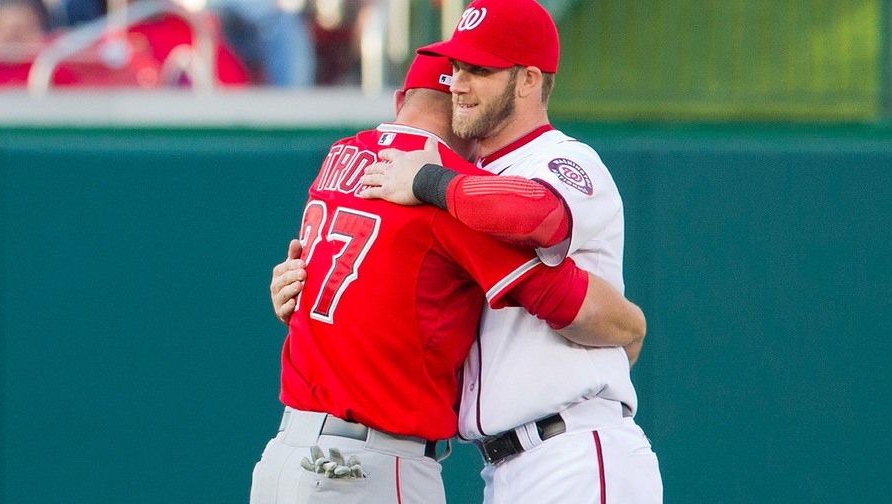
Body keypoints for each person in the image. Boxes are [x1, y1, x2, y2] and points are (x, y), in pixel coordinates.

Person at [250, 54, 646, 504]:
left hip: (285, 457)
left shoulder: (341, 156)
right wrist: (632, 326)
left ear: (401, 99)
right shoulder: (441, 193)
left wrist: (289, 292)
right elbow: (560, 297)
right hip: (366, 467)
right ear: (464, 119)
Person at [358, 0, 665, 502]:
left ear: (528, 79)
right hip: (504, 469)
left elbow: (537, 215)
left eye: (479, 70)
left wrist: (431, 180)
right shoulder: (460, 176)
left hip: (575, 451)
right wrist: (299, 282)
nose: (457, 82)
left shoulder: (564, 159)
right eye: (457, 66)